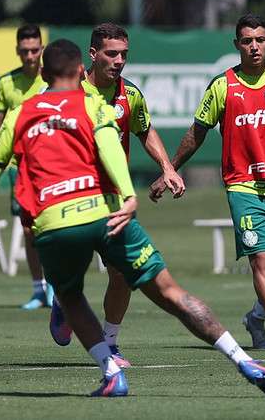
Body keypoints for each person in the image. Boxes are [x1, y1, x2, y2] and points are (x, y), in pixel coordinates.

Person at [0, 39, 265, 396]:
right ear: (80, 72)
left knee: (72, 296)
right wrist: (129, 195)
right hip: (105, 214)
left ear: (43, 74)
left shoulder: (22, 112)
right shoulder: (92, 105)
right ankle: (243, 359)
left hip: (53, 223)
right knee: (170, 292)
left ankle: (110, 371)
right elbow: (109, 148)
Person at [150, 14, 265, 352]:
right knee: (260, 259)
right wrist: (169, 169)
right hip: (243, 186)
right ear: (237, 45)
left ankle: (257, 316)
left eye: (259, 39)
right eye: (247, 40)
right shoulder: (223, 86)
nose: (253, 46)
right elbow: (196, 134)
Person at [48, 23, 185, 369]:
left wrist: (167, 167)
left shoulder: (131, 95)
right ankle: (63, 300)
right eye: (112, 53)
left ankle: (110, 343)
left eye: (124, 54)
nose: (119, 60)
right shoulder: (69, 93)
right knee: (71, 274)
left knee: (122, 274)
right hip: (73, 197)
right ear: (93, 55)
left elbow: (145, 129)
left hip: (114, 200)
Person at [0, 24, 53, 310]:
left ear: (42, 50)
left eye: (35, 50)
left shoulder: (52, 81)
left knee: (51, 227)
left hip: (50, 166)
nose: (30, 56)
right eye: (25, 50)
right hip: (20, 165)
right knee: (28, 230)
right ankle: (39, 289)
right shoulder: (6, 83)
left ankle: (56, 286)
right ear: (17, 51)